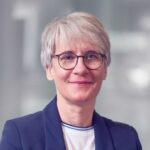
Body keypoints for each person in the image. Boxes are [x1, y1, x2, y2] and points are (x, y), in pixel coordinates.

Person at [0, 11, 142, 150]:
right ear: (49, 69)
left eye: (91, 56)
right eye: (67, 57)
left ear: (105, 69)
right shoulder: (20, 136)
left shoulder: (127, 140)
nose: (80, 69)